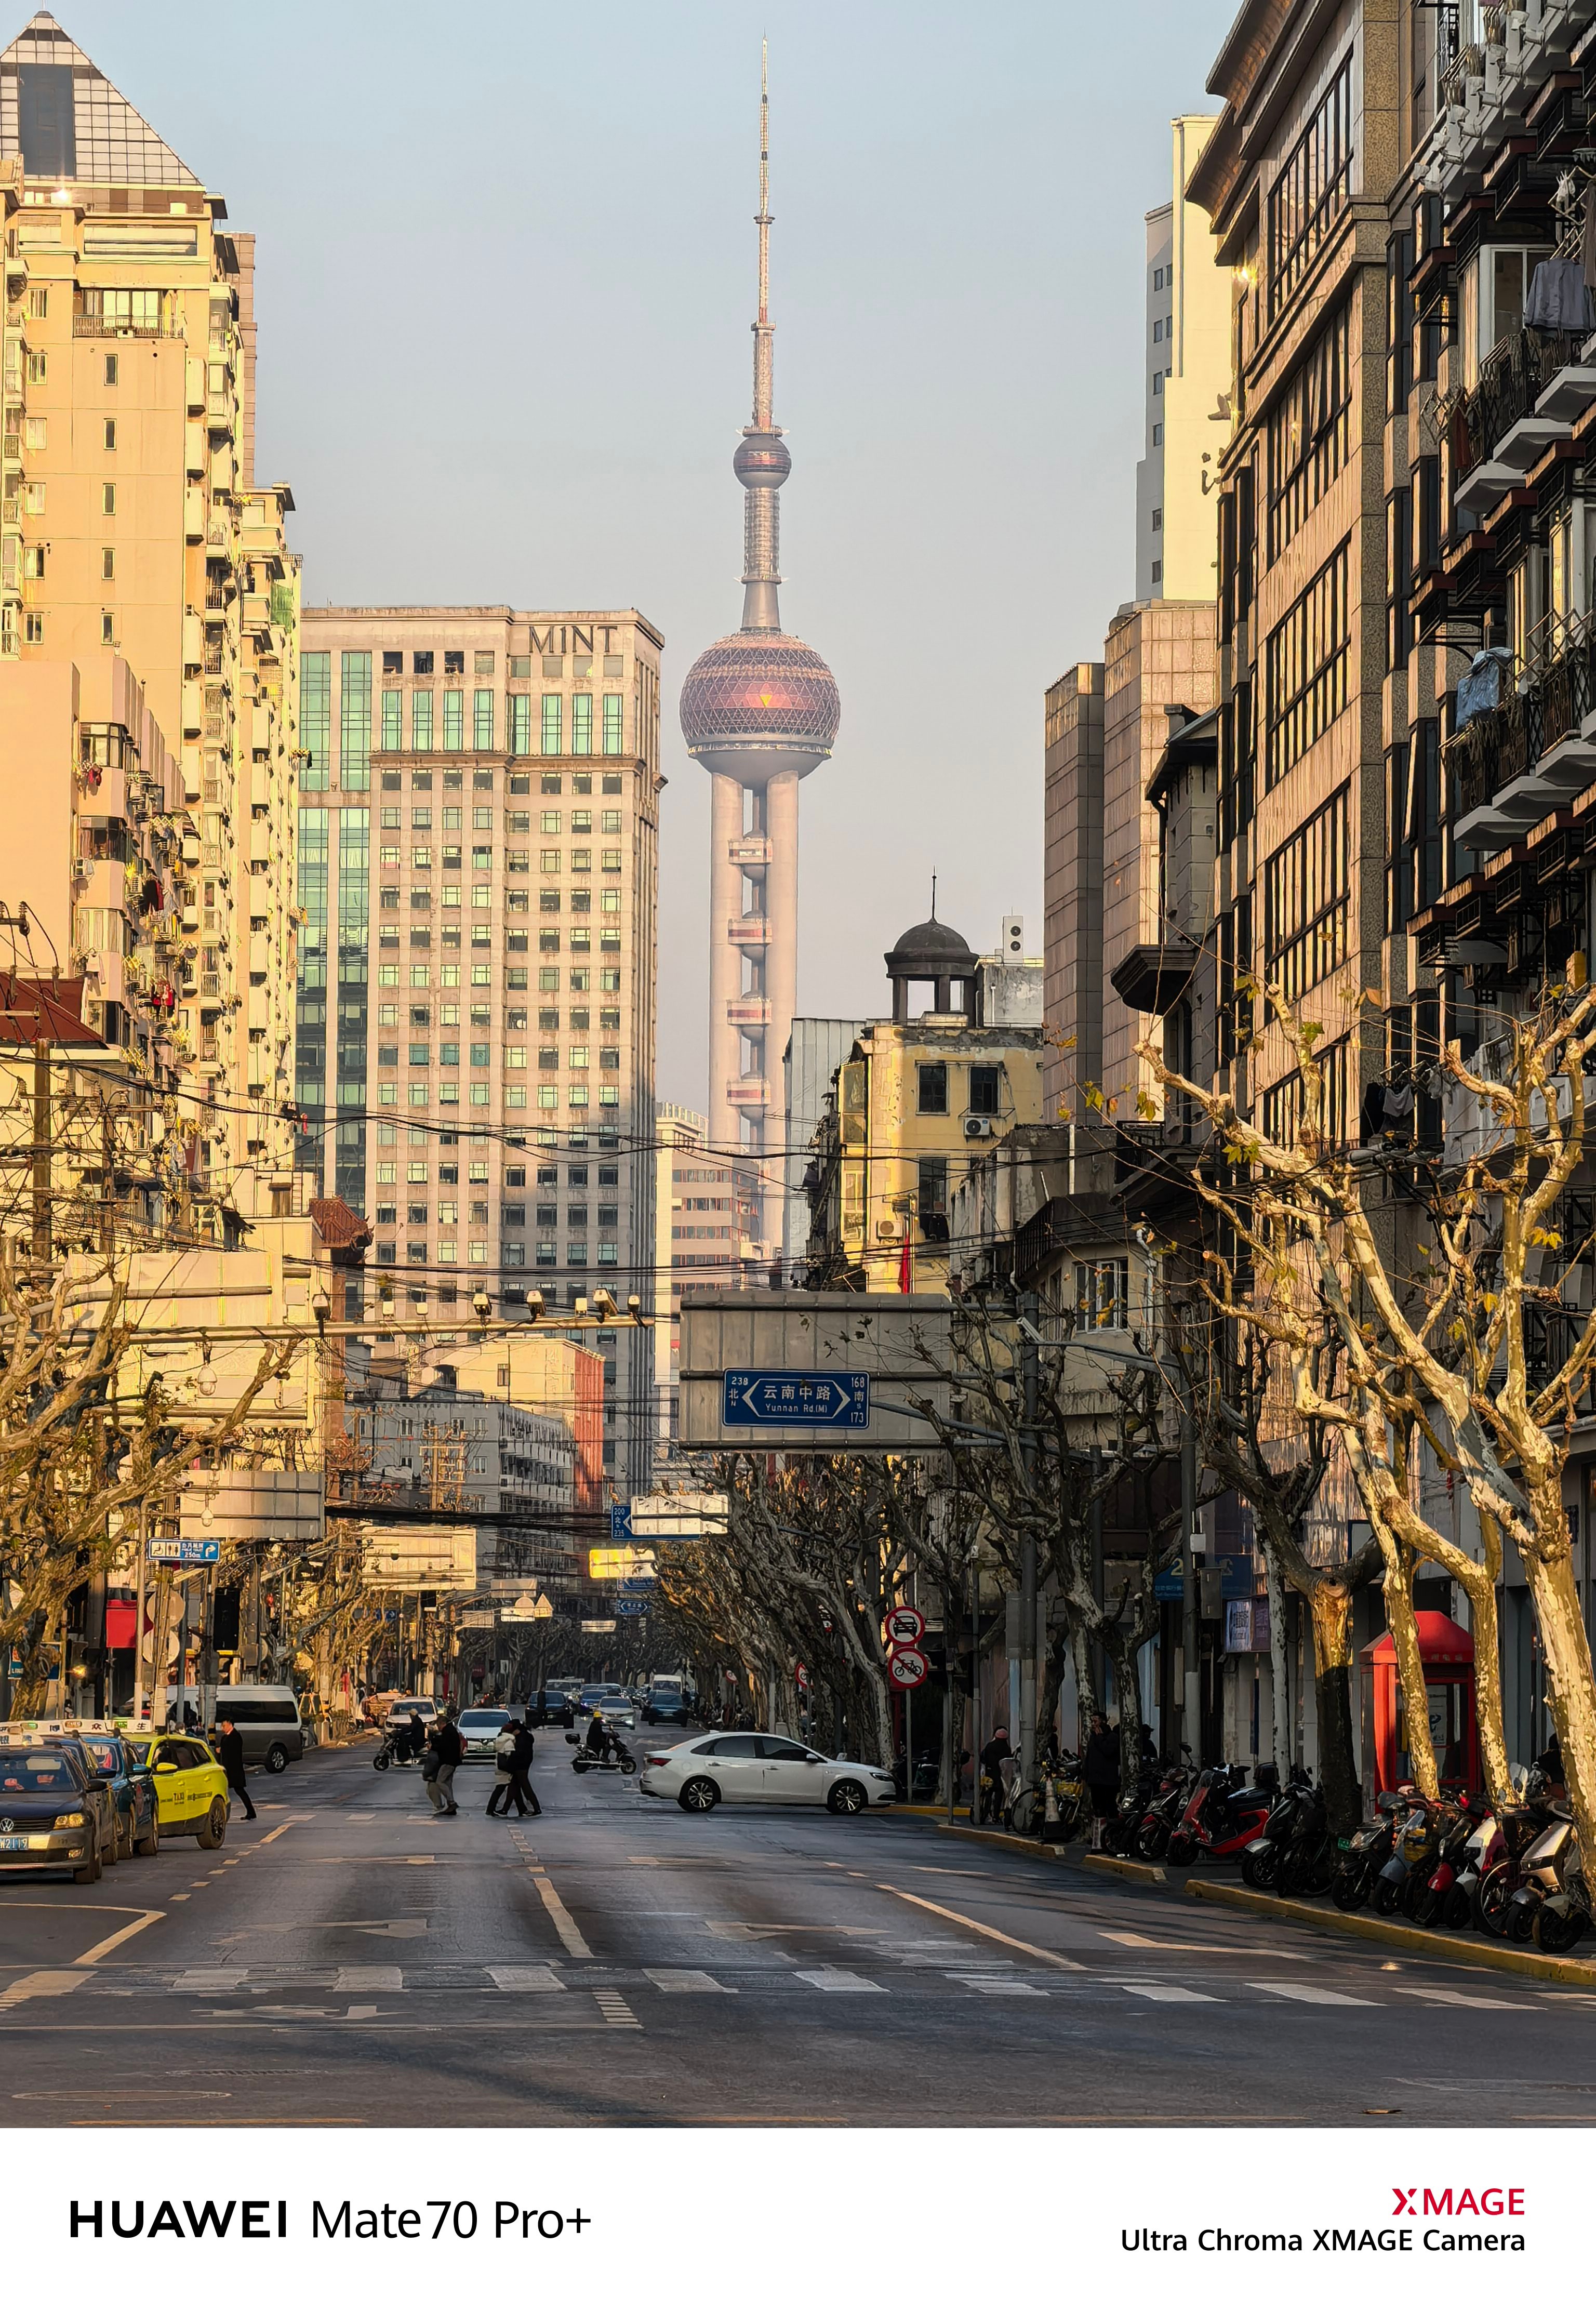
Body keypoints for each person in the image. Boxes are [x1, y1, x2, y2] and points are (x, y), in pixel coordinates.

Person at [1083, 1711, 1121, 1849]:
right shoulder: (1093, 1738)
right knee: (1098, 1810)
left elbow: (1108, 1751)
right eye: (1092, 1722)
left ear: (1103, 1722)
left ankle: (1112, 1837)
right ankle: (1098, 1839)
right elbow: (1089, 1759)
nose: (1093, 1725)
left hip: (1108, 1782)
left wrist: (1100, 1737)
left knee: (1110, 1809)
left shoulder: (1112, 1737)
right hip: (1095, 1781)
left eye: (1096, 1721)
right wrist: (1086, 1776)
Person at [214, 1715, 257, 1822]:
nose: (222, 1728)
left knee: (239, 1790)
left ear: (230, 1724)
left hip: (234, 1769)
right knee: (225, 1790)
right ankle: (222, 1814)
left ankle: (251, 1812)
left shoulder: (236, 1736)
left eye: (224, 1725)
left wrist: (222, 1751)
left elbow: (233, 1753)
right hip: (226, 1769)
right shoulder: (225, 1737)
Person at [422, 1715, 462, 1816]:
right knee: (447, 1783)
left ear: (442, 1723)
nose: (439, 1728)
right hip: (453, 1761)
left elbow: (445, 1747)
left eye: (438, 1726)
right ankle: (451, 1807)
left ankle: (452, 1803)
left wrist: (433, 1747)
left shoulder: (448, 1732)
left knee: (440, 1782)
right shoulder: (452, 1730)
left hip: (448, 1761)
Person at [978, 1727, 1013, 1824]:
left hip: (989, 1774)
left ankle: (985, 1813)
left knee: (988, 1793)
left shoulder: (990, 1746)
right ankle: (996, 1816)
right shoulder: (1006, 1748)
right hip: (1000, 1776)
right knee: (999, 1796)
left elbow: (984, 1758)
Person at [509, 1716, 541, 1816]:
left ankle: (536, 1808)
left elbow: (520, 1752)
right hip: (520, 1764)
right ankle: (521, 1808)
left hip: (521, 1765)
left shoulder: (522, 1738)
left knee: (525, 1787)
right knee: (515, 1787)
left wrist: (511, 1755)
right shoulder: (524, 1736)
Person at [486, 1720, 520, 1816]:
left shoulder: (500, 1740)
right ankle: (491, 1809)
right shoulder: (509, 1741)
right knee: (502, 1788)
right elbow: (510, 1754)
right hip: (507, 1769)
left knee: (508, 1788)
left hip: (500, 1767)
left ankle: (496, 1809)